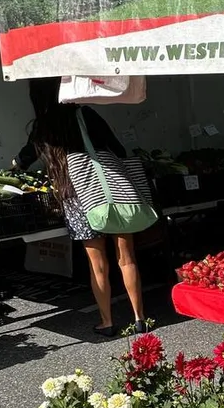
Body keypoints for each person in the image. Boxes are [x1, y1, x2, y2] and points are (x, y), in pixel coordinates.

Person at [25, 78, 152, 337]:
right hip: (112, 193)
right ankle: (140, 319)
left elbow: (26, 157)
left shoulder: (44, 125)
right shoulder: (86, 114)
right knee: (126, 258)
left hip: (77, 197)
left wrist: (16, 164)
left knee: (97, 264)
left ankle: (107, 322)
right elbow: (117, 148)